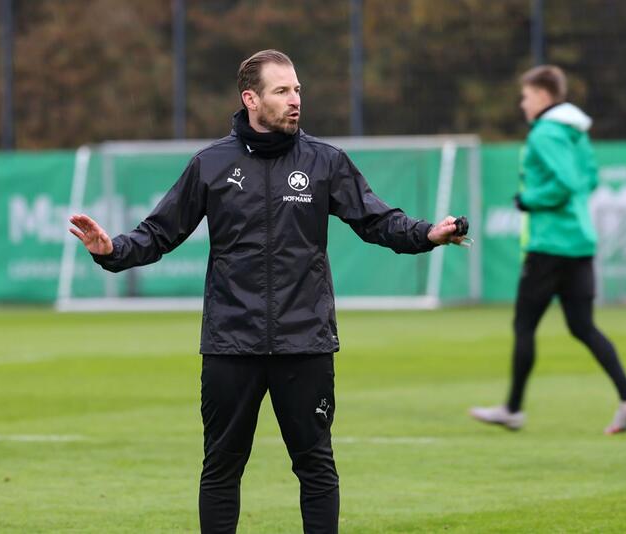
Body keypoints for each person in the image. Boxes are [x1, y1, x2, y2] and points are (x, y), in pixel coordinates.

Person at [68, 49, 466, 534]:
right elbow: (158, 233)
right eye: (282, 91)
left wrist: (426, 233)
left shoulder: (326, 162)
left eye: (297, 89)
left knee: (316, 468)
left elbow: (378, 220)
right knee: (221, 468)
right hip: (231, 343)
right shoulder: (210, 165)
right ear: (251, 98)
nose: (295, 99)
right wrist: (111, 250)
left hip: (306, 343)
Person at [469, 66, 626, 435]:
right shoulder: (576, 132)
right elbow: (589, 180)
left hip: (549, 244)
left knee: (524, 325)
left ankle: (513, 409)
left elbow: (565, 183)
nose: (523, 103)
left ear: (544, 97)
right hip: (580, 241)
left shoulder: (545, 133)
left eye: (527, 96)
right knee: (583, 326)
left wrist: (529, 199)